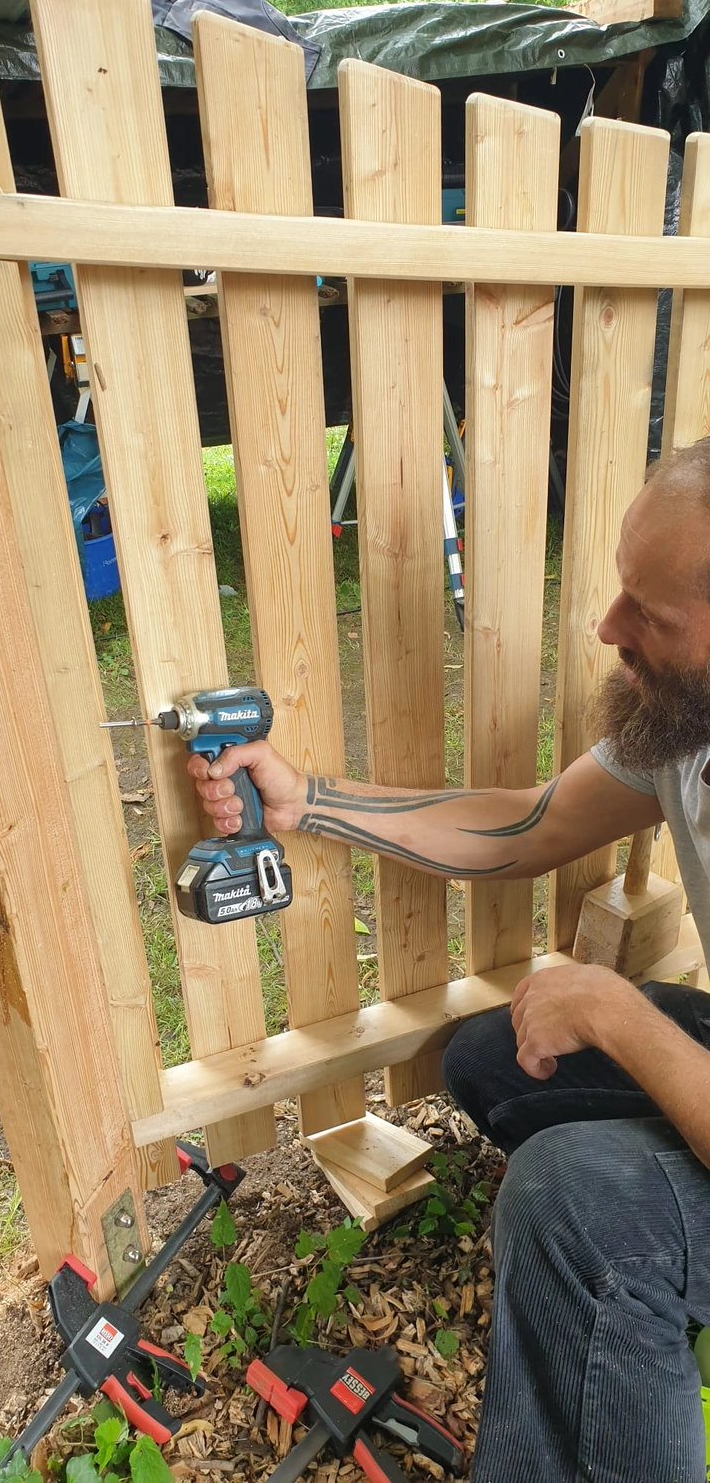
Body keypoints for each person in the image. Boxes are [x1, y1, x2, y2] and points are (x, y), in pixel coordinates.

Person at [189, 437, 710, 1483]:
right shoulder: (686, 726)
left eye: (646, 615)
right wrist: (308, 802)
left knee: (573, 1200)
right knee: (495, 1056)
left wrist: (616, 1014)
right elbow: (527, 828)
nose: (607, 628)